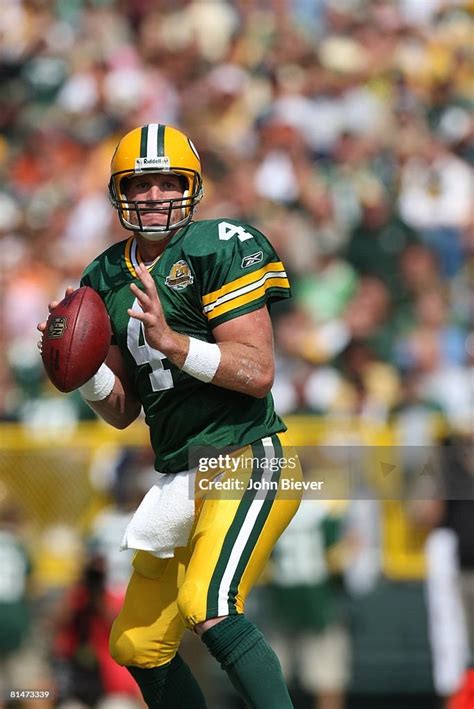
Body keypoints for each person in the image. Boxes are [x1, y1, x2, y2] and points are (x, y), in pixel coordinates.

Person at [38, 123, 302, 708]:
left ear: (192, 186)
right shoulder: (104, 276)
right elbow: (123, 409)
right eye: (140, 184)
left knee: (208, 605)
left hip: (242, 454)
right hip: (179, 473)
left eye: (167, 182)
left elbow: (258, 370)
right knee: (135, 644)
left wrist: (174, 342)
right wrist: (82, 373)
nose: (154, 196)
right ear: (119, 193)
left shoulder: (221, 245)